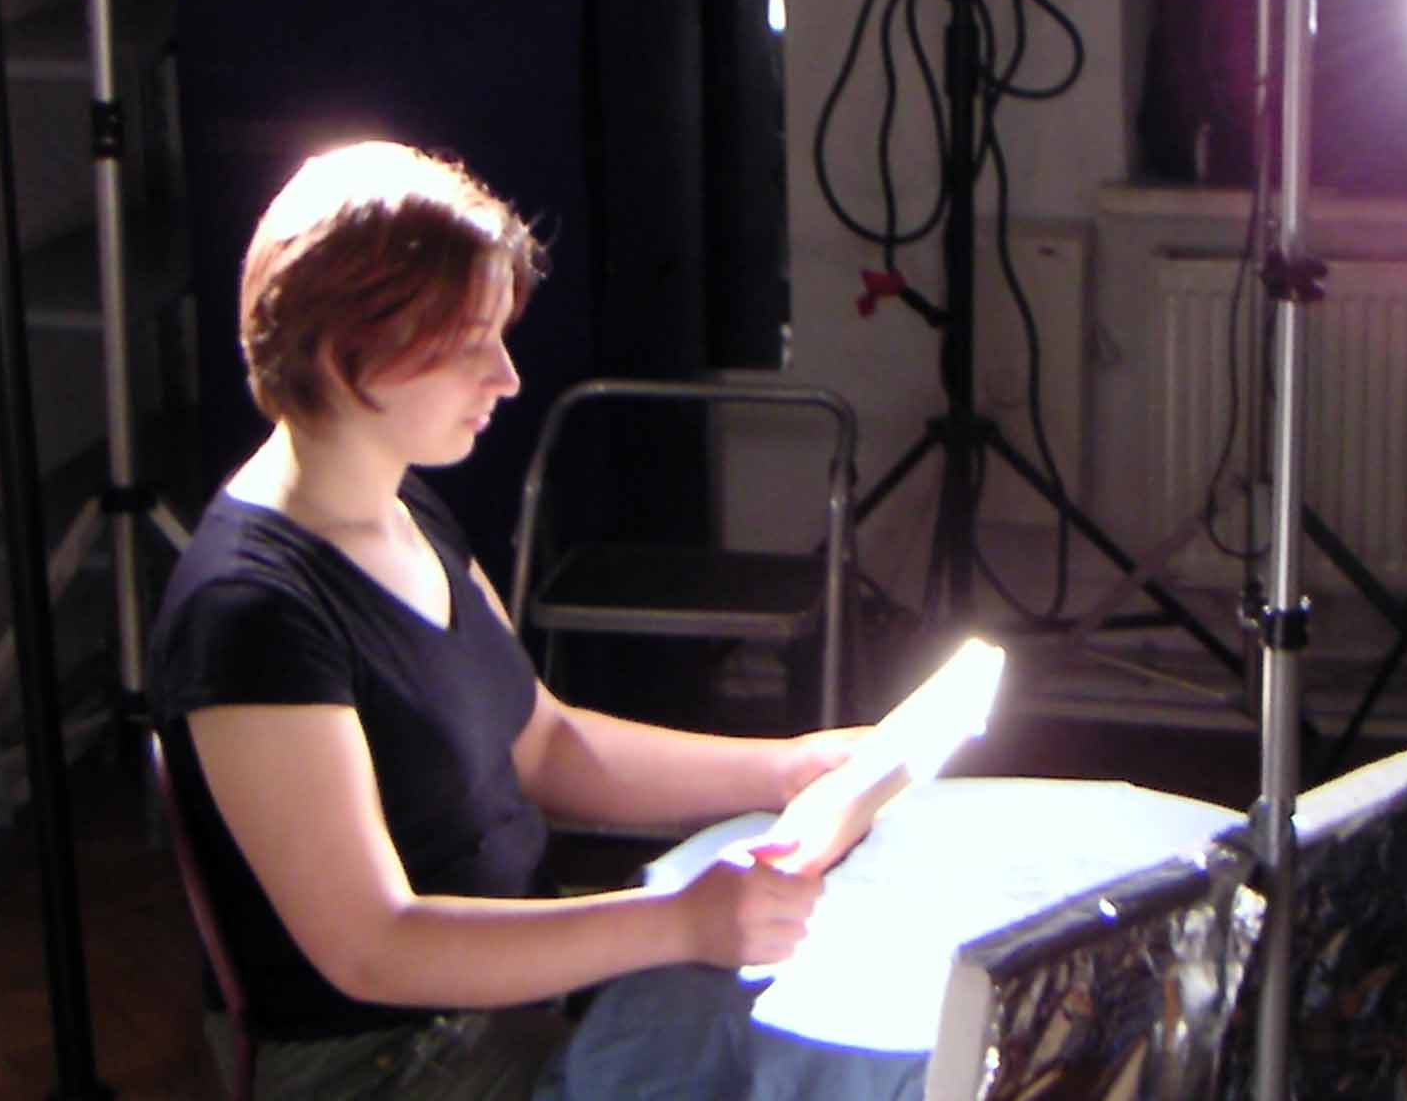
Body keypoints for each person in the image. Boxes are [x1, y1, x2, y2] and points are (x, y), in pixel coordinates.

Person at [147, 141, 874, 1099]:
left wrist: (787, 769)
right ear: (342, 354)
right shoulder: (250, 614)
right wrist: (680, 925)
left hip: (501, 1003)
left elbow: (542, 743)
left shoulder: (399, 508)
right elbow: (374, 947)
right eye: (468, 346)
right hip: (384, 1064)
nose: (506, 377)